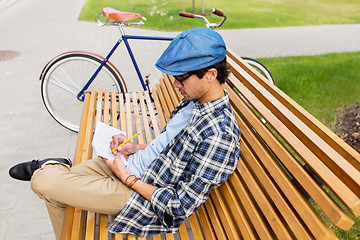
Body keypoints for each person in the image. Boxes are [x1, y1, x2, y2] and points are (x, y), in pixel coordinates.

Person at [9, 27, 241, 239]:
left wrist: (126, 177)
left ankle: (51, 165)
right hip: (128, 163)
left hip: (138, 190)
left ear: (210, 75)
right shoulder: (194, 100)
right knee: (53, 193)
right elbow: (170, 145)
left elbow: (179, 206)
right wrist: (135, 148)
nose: (175, 85)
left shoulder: (220, 134)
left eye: (180, 78)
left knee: (42, 181)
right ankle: (56, 168)